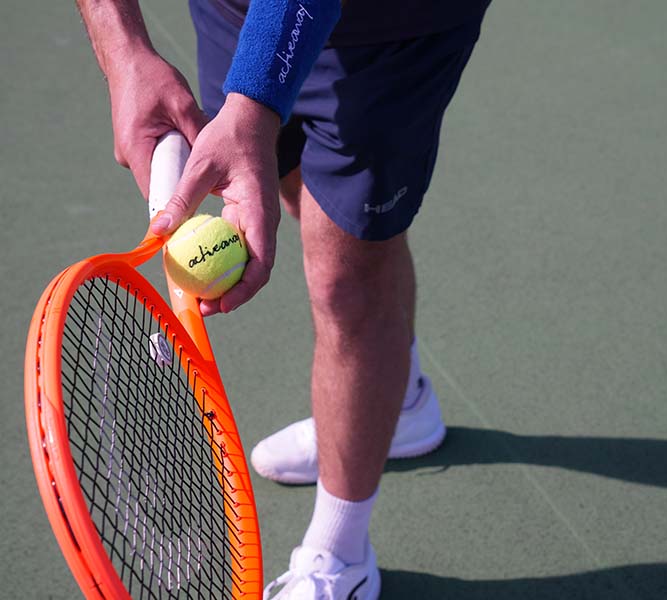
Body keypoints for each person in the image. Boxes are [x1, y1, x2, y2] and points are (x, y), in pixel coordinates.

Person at [75, 0, 489, 597]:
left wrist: (254, 103)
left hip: (392, 29)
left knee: (346, 276)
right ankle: (399, 407)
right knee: (287, 190)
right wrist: (124, 52)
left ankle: (341, 556)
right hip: (238, 15)